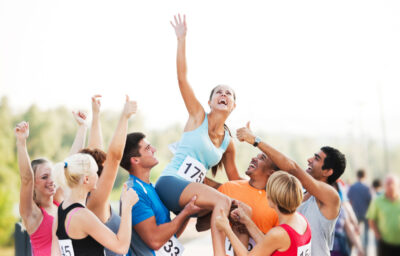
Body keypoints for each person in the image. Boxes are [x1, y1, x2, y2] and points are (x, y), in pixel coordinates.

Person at [154, 14, 241, 255]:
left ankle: (207, 219)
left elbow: (235, 181)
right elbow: (182, 78)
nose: (223, 95)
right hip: (171, 182)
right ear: (210, 101)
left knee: (165, 247)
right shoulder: (197, 116)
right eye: (218, 92)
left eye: (229, 94)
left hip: (190, 194)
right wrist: (181, 39)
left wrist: (265, 188)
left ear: (233, 105)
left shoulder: (228, 142)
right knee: (222, 201)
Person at [236, 122, 346, 256]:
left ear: (328, 171)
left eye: (316, 158)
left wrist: (256, 140)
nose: (309, 159)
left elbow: (292, 168)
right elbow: (275, 242)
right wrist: (248, 223)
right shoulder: (299, 193)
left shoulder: (331, 197)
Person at [15, 111, 87, 256]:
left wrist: (82, 127)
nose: (51, 181)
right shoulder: (32, 214)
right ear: (34, 184)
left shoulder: (58, 201)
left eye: (52, 175)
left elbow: (71, 164)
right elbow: (26, 179)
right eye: (44, 177)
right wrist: (21, 142)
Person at [120, 132, 201, 256]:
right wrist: (185, 212)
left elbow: (168, 236)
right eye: (147, 148)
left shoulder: (151, 188)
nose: (154, 149)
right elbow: (155, 240)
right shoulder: (134, 192)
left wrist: (186, 211)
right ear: (135, 160)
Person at [196, 144, 280, 255]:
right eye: (256, 156)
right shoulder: (228, 187)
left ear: (271, 172)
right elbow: (200, 226)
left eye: (262, 158)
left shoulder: (276, 204)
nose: (254, 158)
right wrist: (226, 211)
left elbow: (277, 248)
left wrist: (246, 228)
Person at [51, 153, 138, 255]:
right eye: (96, 172)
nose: (98, 176)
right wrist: (127, 206)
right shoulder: (82, 215)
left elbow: (55, 252)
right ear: (86, 179)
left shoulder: (61, 208)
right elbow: (121, 247)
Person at [83, 95, 137, 256]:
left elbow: (95, 150)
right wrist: (125, 116)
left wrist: (96, 116)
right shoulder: (95, 202)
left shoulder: (85, 198)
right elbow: (114, 157)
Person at [216, 171, 311, 256]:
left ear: (271, 199)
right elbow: (268, 243)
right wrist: (247, 221)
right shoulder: (302, 220)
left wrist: (226, 228)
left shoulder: (279, 233)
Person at [367, 174, 400, 255]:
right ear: (384, 186)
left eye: (393, 183)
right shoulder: (377, 201)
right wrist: (377, 235)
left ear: (398, 185)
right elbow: (371, 220)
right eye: (388, 184)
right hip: (385, 243)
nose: (391, 186)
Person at [347, 169, 372, 253]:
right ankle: (364, 251)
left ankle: (355, 250)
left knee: (354, 233)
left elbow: (348, 200)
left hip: (355, 213)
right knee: (365, 234)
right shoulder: (367, 187)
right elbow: (370, 201)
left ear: (357, 176)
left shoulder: (352, 187)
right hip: (366, 213)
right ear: (365, 176)